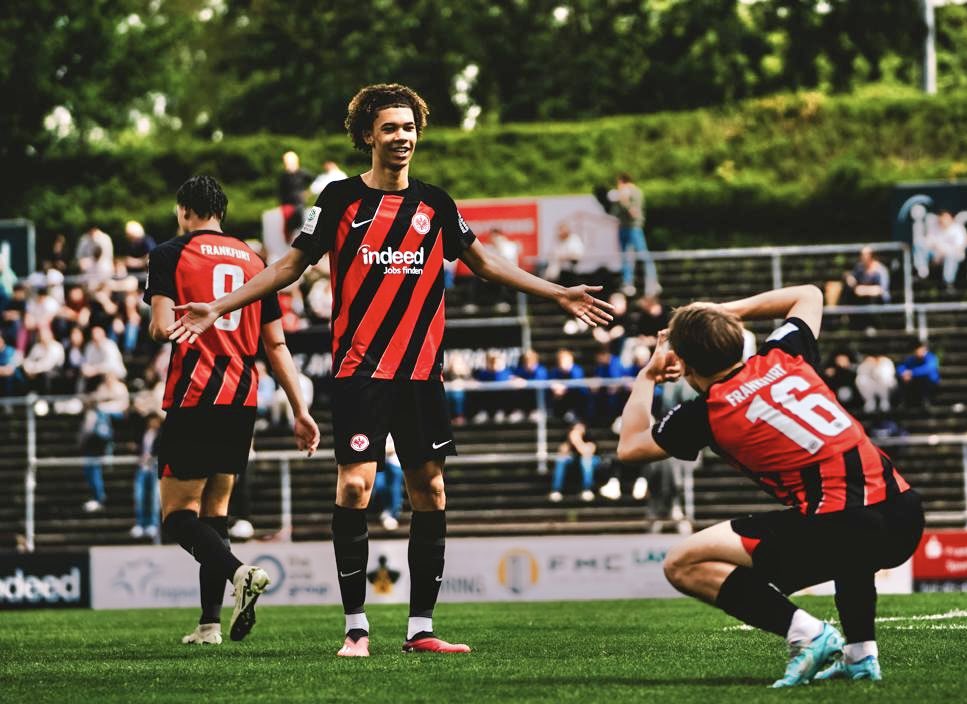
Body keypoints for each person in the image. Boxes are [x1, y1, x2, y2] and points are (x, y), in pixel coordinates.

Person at [166, 84, 613, 658]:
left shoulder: (436, 204)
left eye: (408, 128)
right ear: (367, 137)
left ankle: (420, 629)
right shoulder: (336, 201)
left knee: (430, 487)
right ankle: (356, 628)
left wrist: (556, 292)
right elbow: (288, 267)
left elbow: (484, 262)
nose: (401, 138)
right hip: (360, 371)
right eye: (390, 129)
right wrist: (221, 306)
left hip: (422, 373)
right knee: (355, 486)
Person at [617, 285, 924, 687]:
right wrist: (720, 312)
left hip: (848, 528)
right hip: (904, 512)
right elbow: (809, 295)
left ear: (687, 367)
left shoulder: (707, 412)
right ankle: (861, 656)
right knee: (841, 511)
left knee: (682, 563)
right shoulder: (783, 356)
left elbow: (630, 445)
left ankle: (809, 634)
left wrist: (648, 375)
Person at [145, 175, 320, 646]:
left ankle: (239, 572)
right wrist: (300, 409)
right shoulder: (255, 260)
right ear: (221, 211)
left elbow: (162, 329)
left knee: (177, 516)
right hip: (243, 396)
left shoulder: (169, 254)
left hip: (195, 392)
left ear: (185, 210)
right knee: (214, 514)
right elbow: (277, 344)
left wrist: (173, 324)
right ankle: (208, 625)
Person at [609, 172, 660, 296]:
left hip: (633, 228)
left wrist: (625, 201)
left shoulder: (635, 192)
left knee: (643, 254)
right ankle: (628, 283)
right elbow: (614, 213)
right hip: (623, 227)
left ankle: (652, 282)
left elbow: (634, 212)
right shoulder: (621, 194)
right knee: (625, 256)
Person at [548, 421, 598, 503]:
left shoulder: (590, 439)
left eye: (580, 428)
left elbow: (586, 452)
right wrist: (570, 441)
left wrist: (577, 441)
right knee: (561, 460)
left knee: (586, 460)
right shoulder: (568, 439)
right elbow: (562, 453)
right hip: (574, 462)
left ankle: (587, 489)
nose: (578, 431)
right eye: (576, 429)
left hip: (591, 462)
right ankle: (556, 490)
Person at [131, 414, 163, 539]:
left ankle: (152, 524)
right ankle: (140, 523)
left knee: (155, 498)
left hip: (155, 468)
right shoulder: (144, 433)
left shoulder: (161, 434)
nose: (152, 423)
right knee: (139, 496)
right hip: (143, 468)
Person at [896, 340, 940, 409]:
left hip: (929, 383)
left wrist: (912, 373)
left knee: (925, 380)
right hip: (916, 382)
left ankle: (926, 401)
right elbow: (902, 366)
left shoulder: (931, 357)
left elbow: (928, 369)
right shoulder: (913, 358)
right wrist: (903, 373)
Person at [278, 150, 314, 234]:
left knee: (299, 220)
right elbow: (280, 192)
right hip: (287, 204)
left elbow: (316, 182)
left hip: (299, 203)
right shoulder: (284, 176)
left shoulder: (303, 173)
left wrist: (308, 192)